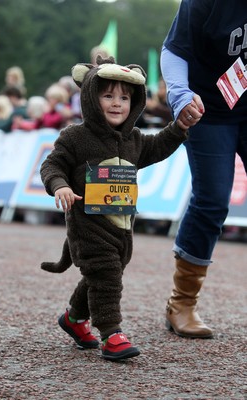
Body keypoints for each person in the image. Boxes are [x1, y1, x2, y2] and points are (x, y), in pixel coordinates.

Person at [40, 55, 188, 361]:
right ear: (91, 99)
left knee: (102, 272)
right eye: (107, 95)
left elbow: (159, 145)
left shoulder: (133, 139)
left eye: (124, 97)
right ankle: (111, 334)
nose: (116, 103)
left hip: (121, 227)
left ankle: (73, 319)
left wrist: (179, 127)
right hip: (87, 224)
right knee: (106, 274)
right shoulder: (75, 136)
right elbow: (51, 165)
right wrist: (61, 186)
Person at [160, 0, 247, 339]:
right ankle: (181, 304)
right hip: (207, 110)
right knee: (211, 201)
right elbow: (174, 50)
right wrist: (179, 95)